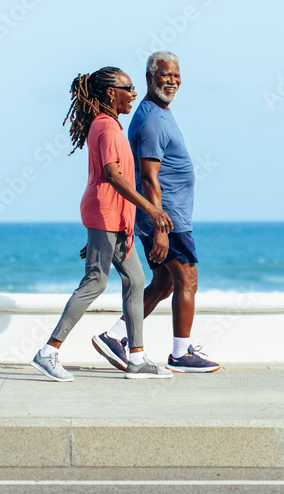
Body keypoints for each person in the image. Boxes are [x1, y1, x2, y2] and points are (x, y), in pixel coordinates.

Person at [31, 67, 174, 381]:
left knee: (136, 280)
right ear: (111, 92)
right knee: (96, 281)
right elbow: (112, 175)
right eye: (129, 87)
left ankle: (136, 358)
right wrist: (151, 209)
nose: (134, 94)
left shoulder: (111, 126)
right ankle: (48, 351)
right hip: (106, 213)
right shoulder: (107, 127)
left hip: (114, 218)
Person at [91, 51, 220, 373]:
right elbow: (148, 178)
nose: (172, 81)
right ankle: (181, 353)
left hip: (168, 216)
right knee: (187, 280)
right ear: (150, 77)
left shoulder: (159, 112)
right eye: (165, 75)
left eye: (176, 76)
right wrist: (161, 227)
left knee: (164, 282)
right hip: (167, 218)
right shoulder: (150, 120)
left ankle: (114, 335)